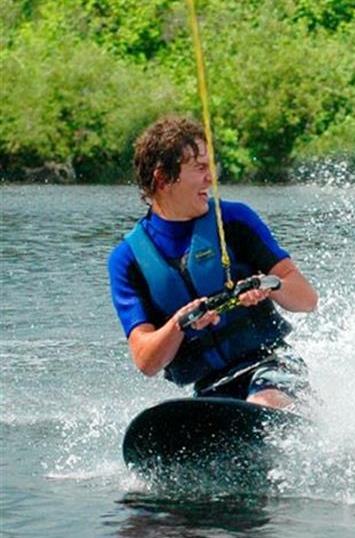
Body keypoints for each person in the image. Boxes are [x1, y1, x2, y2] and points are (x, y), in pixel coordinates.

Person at [108, 116, 318, 409]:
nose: (211, 178)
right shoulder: (128, 260)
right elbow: (146, 361)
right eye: (200, 168)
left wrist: (267, 285)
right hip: (212, 389)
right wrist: (179, 324)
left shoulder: (235, 221)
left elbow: (307, 299)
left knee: (263, 402)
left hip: (275, 364)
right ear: (163, 178)